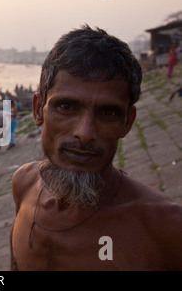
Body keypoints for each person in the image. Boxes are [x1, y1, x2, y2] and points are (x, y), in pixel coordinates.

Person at [10, 25, 182, 270]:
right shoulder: (24, 184)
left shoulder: (165, 226)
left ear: (127, 123)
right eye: (67, 107)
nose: (85, 133)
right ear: (39, 110)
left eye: (108, 112)